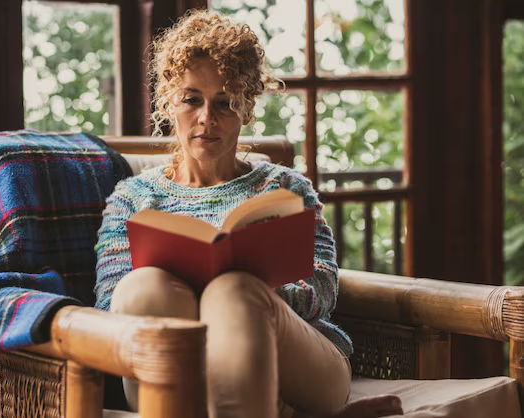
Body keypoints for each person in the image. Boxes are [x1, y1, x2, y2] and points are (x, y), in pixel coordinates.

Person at [94, 10, 403, 418]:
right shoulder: (131, 198)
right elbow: (106, 309)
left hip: (301, 362)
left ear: (247, 108)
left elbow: (323, 287)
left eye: (225, 102)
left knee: (234, 293)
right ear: (169, 102)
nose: (207, 117)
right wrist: (192, 291)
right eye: (192, 100)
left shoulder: (284, 189)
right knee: (141, 288)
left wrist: (249, 288)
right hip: (181, 369)